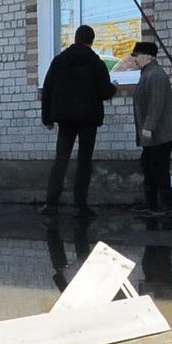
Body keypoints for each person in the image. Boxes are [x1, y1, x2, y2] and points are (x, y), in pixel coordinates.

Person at [40, 25, 117, 216]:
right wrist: (114, 87)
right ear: (91, 41)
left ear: (75, 39)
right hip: (88, 120)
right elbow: (105, 92)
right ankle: (80, 205)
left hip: (65, 119)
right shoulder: (95, 62)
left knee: (61, 160)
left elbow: (47, 89)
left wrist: (47, 118)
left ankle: (51, 204)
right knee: (84, 161)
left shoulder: (59, 60)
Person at [129, 40, 172, 214]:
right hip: (153, 135)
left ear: (147, 57)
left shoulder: (156, 74)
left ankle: (166, 205)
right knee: (148, 165)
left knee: (159, 168)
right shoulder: (147, 73)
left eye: (137, 55)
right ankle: (151, 203)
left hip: (160, 133)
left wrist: (148, 127)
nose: (135, 59)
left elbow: (156, 103)